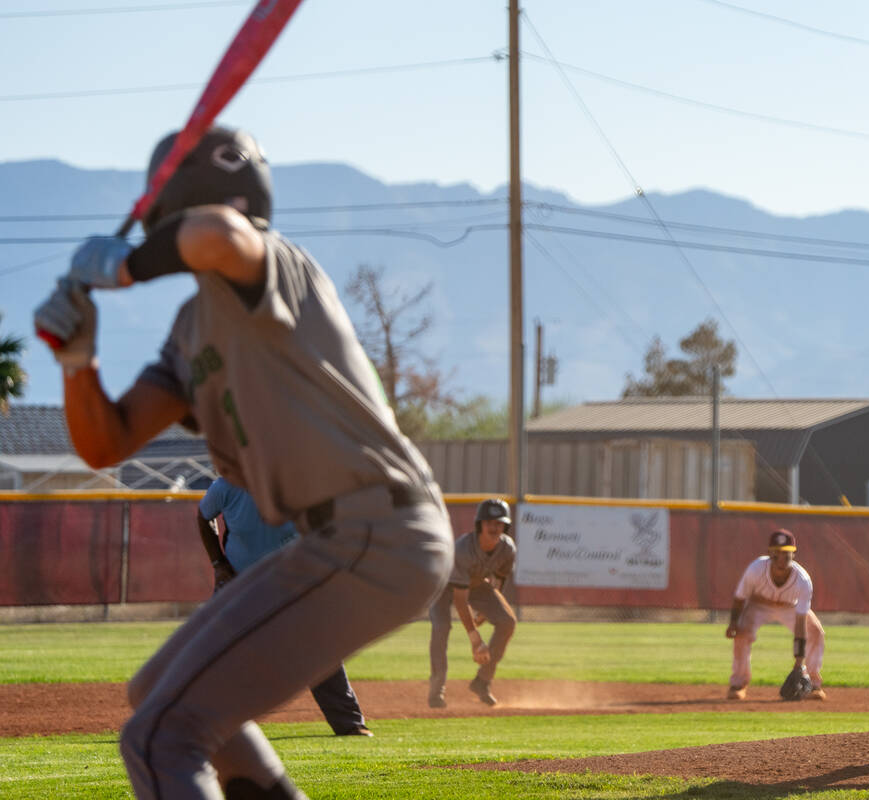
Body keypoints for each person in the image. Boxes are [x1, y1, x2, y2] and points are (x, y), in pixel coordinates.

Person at [33, 125, 452, 800]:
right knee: (154, 695)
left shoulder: (272, 264)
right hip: (343, 538)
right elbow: (104, 443)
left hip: (379, 527)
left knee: (160, 737)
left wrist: (125, 266)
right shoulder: (191, 329)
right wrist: (79, 360)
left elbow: (220, 237)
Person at [198, 476, 373, 737]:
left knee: (320, 649)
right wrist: (218, 564)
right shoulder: (227, 486)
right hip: (239, 580)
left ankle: (349, 724)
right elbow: (203, 517)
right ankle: (197, 721)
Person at [427, 497, 517, 708]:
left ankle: (482, 681)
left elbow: (499, 579)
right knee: (441, 627)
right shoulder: (463, 549)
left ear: (505, 526)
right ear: (480, 525)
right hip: (443, 587)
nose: (494, 528)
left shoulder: (507, 548)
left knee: (507, 621)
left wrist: (488, 610)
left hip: (476, 584)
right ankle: (436, 689)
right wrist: (475, 639)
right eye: (489, 523)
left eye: (499, 523)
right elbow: (460, 600)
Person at [725, 528, 826, 701]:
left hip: (789, 607)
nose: (782, 558)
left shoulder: (802, 580)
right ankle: (738, 684)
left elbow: (801, 622)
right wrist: (734, 622)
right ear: (770, 554)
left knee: (815, 631)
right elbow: (740, 598)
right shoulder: (756, 568)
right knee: (742, 633)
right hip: (758, 605)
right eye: (778, 553)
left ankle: (813, 684)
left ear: (793, 555)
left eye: (787, 553)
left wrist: (798, 662)